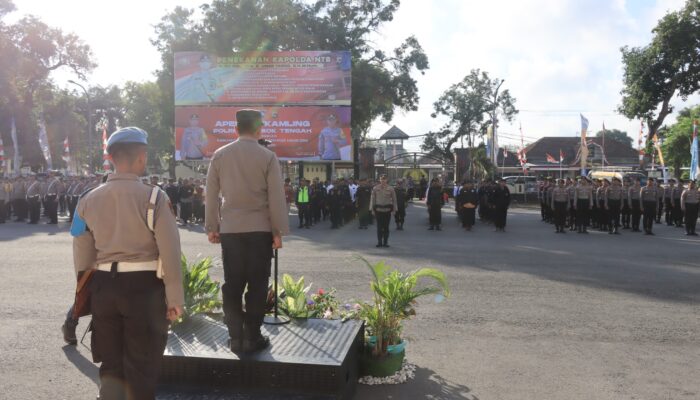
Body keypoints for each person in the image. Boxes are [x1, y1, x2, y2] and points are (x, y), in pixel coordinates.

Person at [72, 126, 184, 400]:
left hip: (103, 289)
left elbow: (80, 245)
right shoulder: (156, 197)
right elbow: (170, 251)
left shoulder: (86, 199)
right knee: (142, 366)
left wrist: (85, 289)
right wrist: (175, 298)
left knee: (110, 365)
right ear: (142, 157)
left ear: (111, 158)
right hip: (144, 289)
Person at [205, 109, 289, 353]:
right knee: (257, 284)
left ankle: (234, 337)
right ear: (259, 129)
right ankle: (252, 336)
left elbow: (210, 193)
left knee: (232, 284)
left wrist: (212, 226)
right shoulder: (267, 157)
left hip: (231, 230)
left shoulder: (220, 155)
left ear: (236, 129)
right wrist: (278, 231)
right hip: (260, 230)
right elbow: (276, 197)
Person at [369, 174, 397, 247]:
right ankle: (379, 242)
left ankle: (385, 242)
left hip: (387, 210)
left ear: (387, 180)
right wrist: (372, 209)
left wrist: (394, 210)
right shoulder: (375, 188)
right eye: (381, 179)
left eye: (384, 179)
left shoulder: (391, 188)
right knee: (379, 227)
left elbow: (394, 200)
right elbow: (373, 199)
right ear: (379, 180)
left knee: (386, 227)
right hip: (378, 210)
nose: (383, 180)